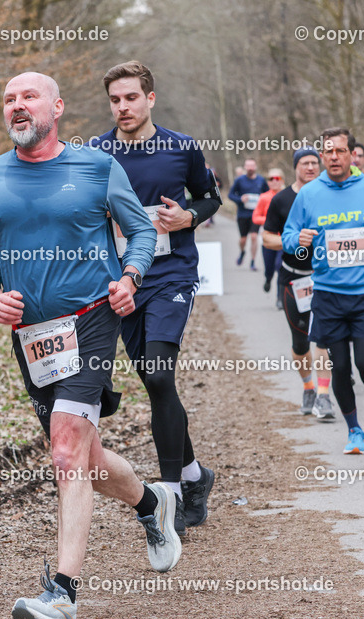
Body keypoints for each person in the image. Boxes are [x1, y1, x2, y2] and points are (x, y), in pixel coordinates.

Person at [0, 72, 180, 619]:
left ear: (56, 108)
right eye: (9, 98)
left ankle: (61, 595)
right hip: (34, 338)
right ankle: (150, 503)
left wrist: (131, 278)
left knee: (65, 451)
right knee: (87, 460)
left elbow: (140, 233)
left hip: (90, 321)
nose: (16, 105)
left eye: (28, 96)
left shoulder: (95, 167)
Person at [90, 60, 220, 538]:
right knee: (153, 382)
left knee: (161, 373)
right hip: (124, 283)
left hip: (171, 276)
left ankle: (172, 499)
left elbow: (210, 198)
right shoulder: (95, 153)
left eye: (131, 98)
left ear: (150, 98)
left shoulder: (180, 148)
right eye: (115, 100)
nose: (123, 107)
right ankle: (195, 475)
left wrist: (188, 217)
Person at [282, 128, 364, 454]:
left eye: (341, 151)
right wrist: (298, 240)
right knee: (340, 367)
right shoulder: (308, 194)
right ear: (322, 156)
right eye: (328, 152)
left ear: (351, 155)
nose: (334, 157)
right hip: (327, 294)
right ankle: (354, 431)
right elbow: (288, 235)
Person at [263, 148, 335, 420]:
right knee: (300, 339)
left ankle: (325, 396)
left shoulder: (329, 194)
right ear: (295, 167)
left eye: (315, 163)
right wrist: (293, 241)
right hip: (293, 277)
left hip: (325, 276)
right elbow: (267, 239)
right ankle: (308, 388)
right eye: (304, 163)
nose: (310, 167)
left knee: (323, 336)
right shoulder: (282, 199)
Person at [228, 158, 269, 270]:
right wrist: (240, 199)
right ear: (245, 167)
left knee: (254, 237)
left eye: (252, 166)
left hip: (256, 214)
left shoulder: (261, 180)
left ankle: (252, 262)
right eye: (248, 166)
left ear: (255, 167)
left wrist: (263, 202)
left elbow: (267, 194)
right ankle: (242, 252)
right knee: (243, 239)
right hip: (242, 214)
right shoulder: (239, 180)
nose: (250, 168)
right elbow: (230, 195)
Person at [253, 168, 286, 304]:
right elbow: (255, 218)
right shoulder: (264, 197)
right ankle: (268, 279)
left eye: (276, 178)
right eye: (270, 179)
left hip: (283, 239)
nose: (273, 181)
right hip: (268, 238)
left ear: (282, 180)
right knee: (269, 268)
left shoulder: (287, 196)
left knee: (280, 266)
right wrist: (269, 221)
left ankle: (279, 298)